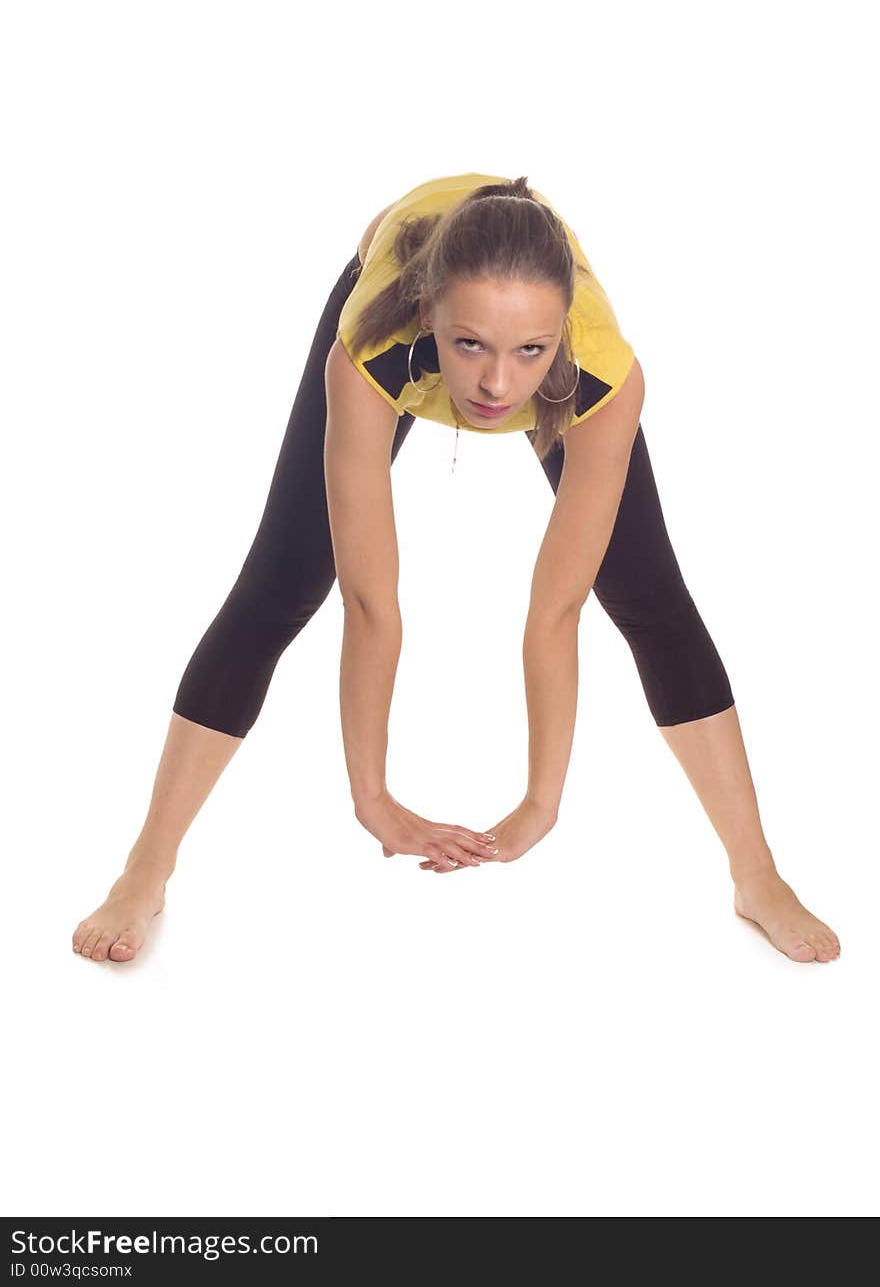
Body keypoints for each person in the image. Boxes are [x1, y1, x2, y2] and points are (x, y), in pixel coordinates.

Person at [71, 171, 840, 965]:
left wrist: (541, 802)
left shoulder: (605, 376)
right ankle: (145, 867)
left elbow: (556, 609)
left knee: (648, 596)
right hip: (398, 275)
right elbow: (372, 603)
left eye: (529, 352)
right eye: (468, 344)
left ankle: (758, 875)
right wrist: (373, 797)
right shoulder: (373, 349)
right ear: (431, 316)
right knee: (282, 583)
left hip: (544, 329)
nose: (497, 385)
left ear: (559, 336)